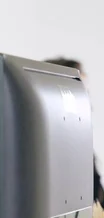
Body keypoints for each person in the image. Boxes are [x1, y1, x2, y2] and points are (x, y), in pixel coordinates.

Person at [43, 57, 104, 206]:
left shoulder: (84, 152)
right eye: (81, 95)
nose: (89, 106)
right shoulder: (44, 157)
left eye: (87, 95)